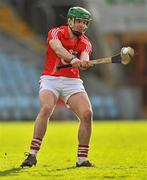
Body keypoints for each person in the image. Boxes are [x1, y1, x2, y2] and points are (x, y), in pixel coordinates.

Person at [21, 6, 94, 168]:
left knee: (87, 114)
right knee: (46, 108)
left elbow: (85, 55)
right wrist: (71, 59)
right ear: (69, 21)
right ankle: (32, 155)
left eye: (85, 22)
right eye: (79, 21)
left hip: (72, 82)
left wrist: (84, 62)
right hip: (50, 79)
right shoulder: (56, 32)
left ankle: (82, 159)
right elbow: (58, 49)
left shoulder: (85, 42)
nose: (82, 25)